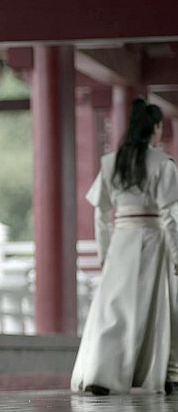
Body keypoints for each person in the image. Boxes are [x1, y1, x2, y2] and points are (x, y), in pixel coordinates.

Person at [71, 99, 178, 395]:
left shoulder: (111, 162)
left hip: (121, 239)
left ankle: (102, 373)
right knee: (155, 308)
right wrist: (177, 252)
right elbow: (170, 214)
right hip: (153, 240)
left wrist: (105, 251)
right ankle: (163, 374)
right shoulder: (163, 163)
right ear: (156, 127)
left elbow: (101, 213)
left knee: (114, 309)